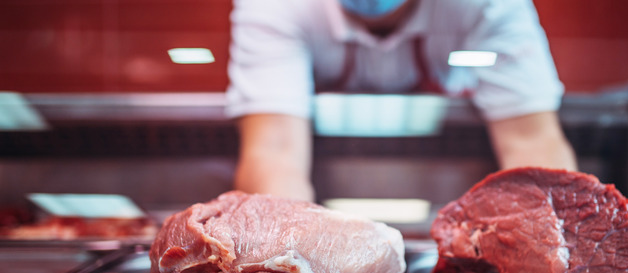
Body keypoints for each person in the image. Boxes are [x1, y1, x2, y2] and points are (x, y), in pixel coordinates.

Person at [226, 0, 577, 202]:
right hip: (328, 187)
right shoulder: (274, 6)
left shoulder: (487, 4)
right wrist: (289, 262)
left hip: (451, 190)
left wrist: (553, 245)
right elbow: (275, 153)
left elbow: (532, 141)